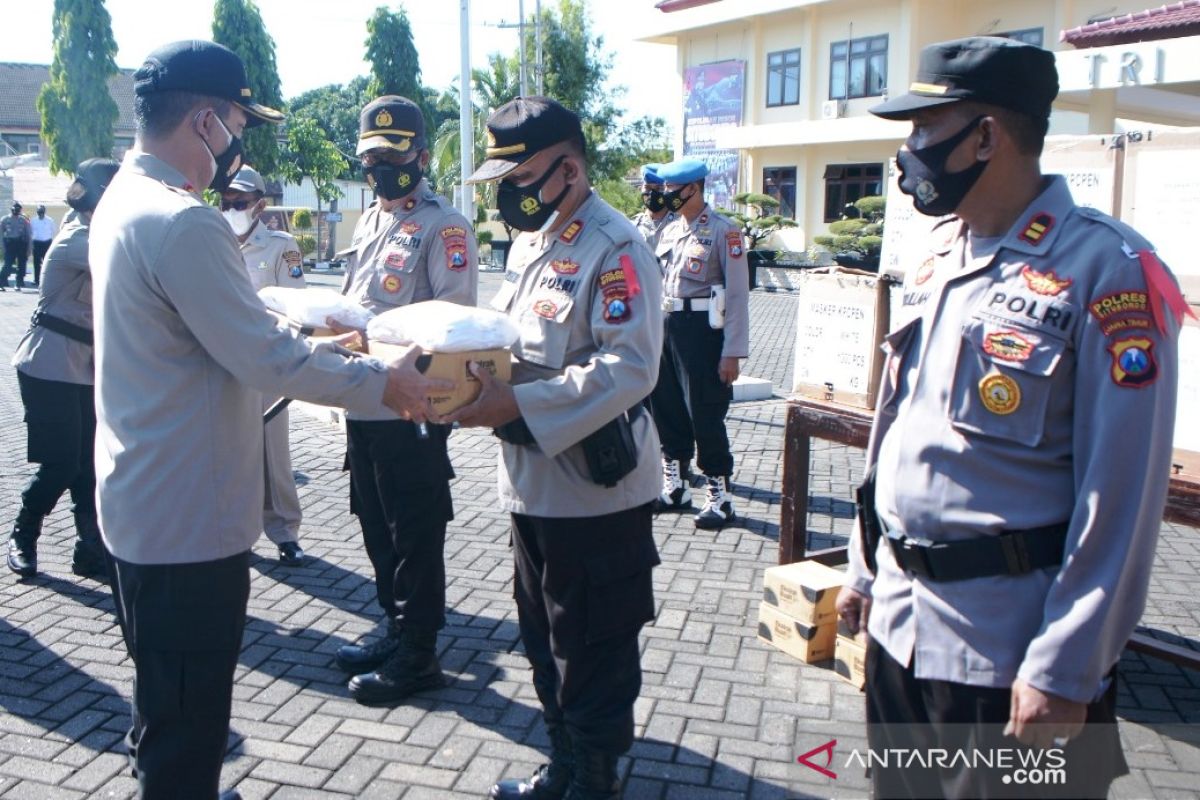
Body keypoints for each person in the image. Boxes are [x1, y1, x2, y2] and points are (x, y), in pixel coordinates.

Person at [88, 40, 447, 800]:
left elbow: (225, 338)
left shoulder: (124, 196)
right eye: (239, 123)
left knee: (165, 707)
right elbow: (265, 359)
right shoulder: (185, 222)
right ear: (209, 120)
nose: (240, 141)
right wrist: (381, 382)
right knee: (187, 731)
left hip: (143, 501)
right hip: (187, 520)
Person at [834, 37, 1186, 799]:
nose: (909, 151)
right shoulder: (941, 257)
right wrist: (865, 567)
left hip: (1009, 661)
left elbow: (1121, 501)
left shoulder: (1109, 270)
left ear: (986, 136)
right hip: (902, 630)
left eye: (926, 130)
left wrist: (1066, 668)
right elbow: (896, 432)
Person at [450, 95, 663, 800]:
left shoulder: (615, 247)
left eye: (520, 180)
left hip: (594, 497)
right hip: (532, 486)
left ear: (569, 169)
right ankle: (565, 770)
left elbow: (632, 366)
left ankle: (594, 782)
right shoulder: (532, 244)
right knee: (543, 644)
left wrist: (519, 402)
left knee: (594, 656)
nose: (511, 196)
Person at [330, 95, 479, 707]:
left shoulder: (446, 227)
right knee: (373, 519)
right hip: (362, 397)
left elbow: (451, 324)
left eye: (394, 156)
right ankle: (394, 628)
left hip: (410, 403)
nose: (382, 169)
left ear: (420, 155)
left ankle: (420, 651)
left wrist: (382, 343)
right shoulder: (370, 219)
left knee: (415, 528)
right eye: (372, 158)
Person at [6, 159, 119, 580]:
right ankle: (23, 532)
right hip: (49, 364)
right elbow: (133, 263)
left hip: (85, 367)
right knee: (62, 463)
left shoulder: (99, 233)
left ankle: (88, 550)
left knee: (89, 464)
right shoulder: (80, 239)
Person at [648, 158, 749, 528]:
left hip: (702, 332)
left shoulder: (725, 231)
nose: (667, 196)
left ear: (694, 188)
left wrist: (733, 351)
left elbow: (738, 295)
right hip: (667, 325)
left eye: (673, 191)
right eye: (666, 191)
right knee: (667, 409)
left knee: (705, 413)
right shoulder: (671, 230)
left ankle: (720, 497)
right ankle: (675, 486)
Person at [220, 164, 307, 566]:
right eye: (226, 201)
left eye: (240, 202)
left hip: (265, 360)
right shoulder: (213, 239)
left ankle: (284, 531)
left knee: (273, 453)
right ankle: (231, 529)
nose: (232, 208)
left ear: (259, 205)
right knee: (225, 451)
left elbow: (294, 306)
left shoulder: (280, 245)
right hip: (221, 361)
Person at [631, 163, 675, 252]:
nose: (653, 193)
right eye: (648, 188)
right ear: (641, 189)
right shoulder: (632, 227)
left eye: (660, 188)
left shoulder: (682, 224)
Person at [0, 201, 31, 291]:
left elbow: (29, 235)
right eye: (14, 209)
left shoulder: (24, 220)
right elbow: (1, 234)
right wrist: (2, 246)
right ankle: (1, 283)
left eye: (18, 209)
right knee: (7, 265)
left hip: (21, 244)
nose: (16, 211)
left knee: (21, 265)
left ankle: (18, 283)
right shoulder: (5, 219)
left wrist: (29, 248)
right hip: (9, 244)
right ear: (11, 210)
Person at [30, 204, 56, 287]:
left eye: (42, 211)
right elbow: (31, 232)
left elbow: (53, 231)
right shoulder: (33, 220)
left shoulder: (50, 220)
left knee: (47, 263)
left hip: (47, 243)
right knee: (36, 263)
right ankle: (36, 280)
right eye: (39, 211)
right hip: (36, 243)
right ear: (37, 212)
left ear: (44, 212)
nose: (40, 213)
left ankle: (47, 280)